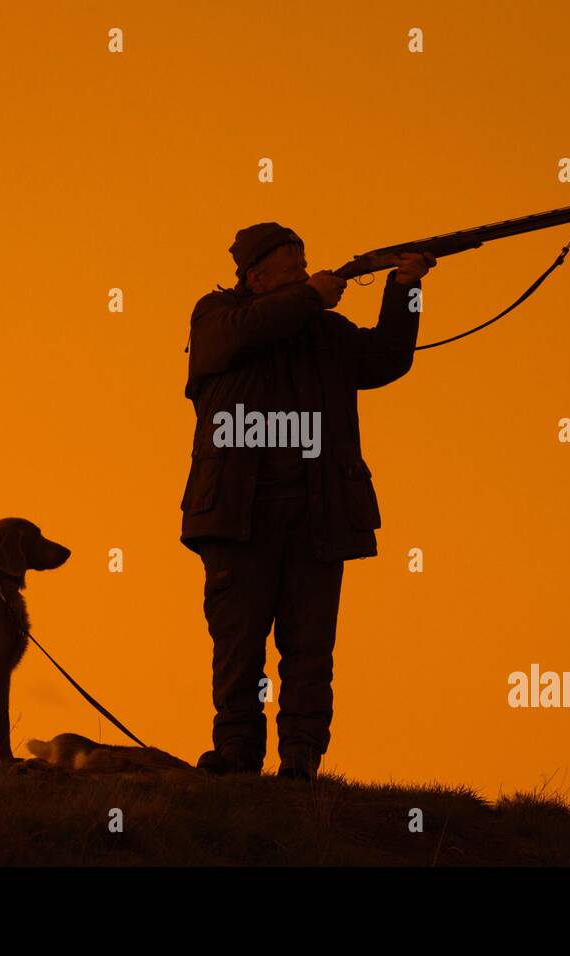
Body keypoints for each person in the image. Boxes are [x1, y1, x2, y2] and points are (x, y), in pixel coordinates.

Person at [179, 221, 435, 780]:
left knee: (310, 648)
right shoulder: (216, 317)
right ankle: (237, 755)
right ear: (255, 276)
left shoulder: (324, 331)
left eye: (304, 266)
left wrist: (405, 288)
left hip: (318, 513)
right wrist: (310, 296)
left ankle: (301, 759)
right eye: (292, 267)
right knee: (239, 647)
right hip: (237, 515)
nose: (305, 273)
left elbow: (388, 358)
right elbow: (247, 332)